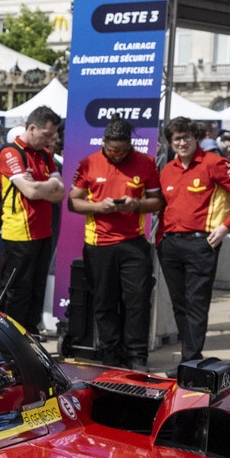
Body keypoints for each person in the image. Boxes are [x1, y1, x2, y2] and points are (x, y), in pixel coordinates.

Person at [156, 116, 230, 362]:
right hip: (169, 244)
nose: (182, 142)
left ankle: (191, 358)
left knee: (196, 303)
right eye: (176, 138)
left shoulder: (214, 162)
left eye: (186, 137)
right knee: (179, 304)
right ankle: (188, 356)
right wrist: (160, 240)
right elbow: (163, 208)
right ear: (170, 142)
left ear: (196, 138)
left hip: (202, 243)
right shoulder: (167, 170)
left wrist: (225, 227)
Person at [68, 118, 163, 368]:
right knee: (103, 301)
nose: (117, 155)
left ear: (131, 145)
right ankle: (111, 355)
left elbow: (158, 201)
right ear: (103, 144)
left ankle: (137, 357)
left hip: (133, 242)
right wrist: (99, 206)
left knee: (138, 301)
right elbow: (73, 202)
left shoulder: (146, 162)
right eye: (112, 150)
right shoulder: (88, 163)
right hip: (99, 244)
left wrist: (137, 204)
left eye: (122, 151)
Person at [0, 107, 64, 332]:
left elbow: (61, 192)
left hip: (44, 230)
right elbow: (30, 192)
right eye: (46, 135)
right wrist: (47, 186)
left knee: (37, 288)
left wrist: (40, 185)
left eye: (52, 136)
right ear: (31, 128)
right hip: (19, 232)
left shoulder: (44, 154)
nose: (50, 140)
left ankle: (31, 333)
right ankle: (11, 336)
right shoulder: (11, 152)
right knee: (17, 289)